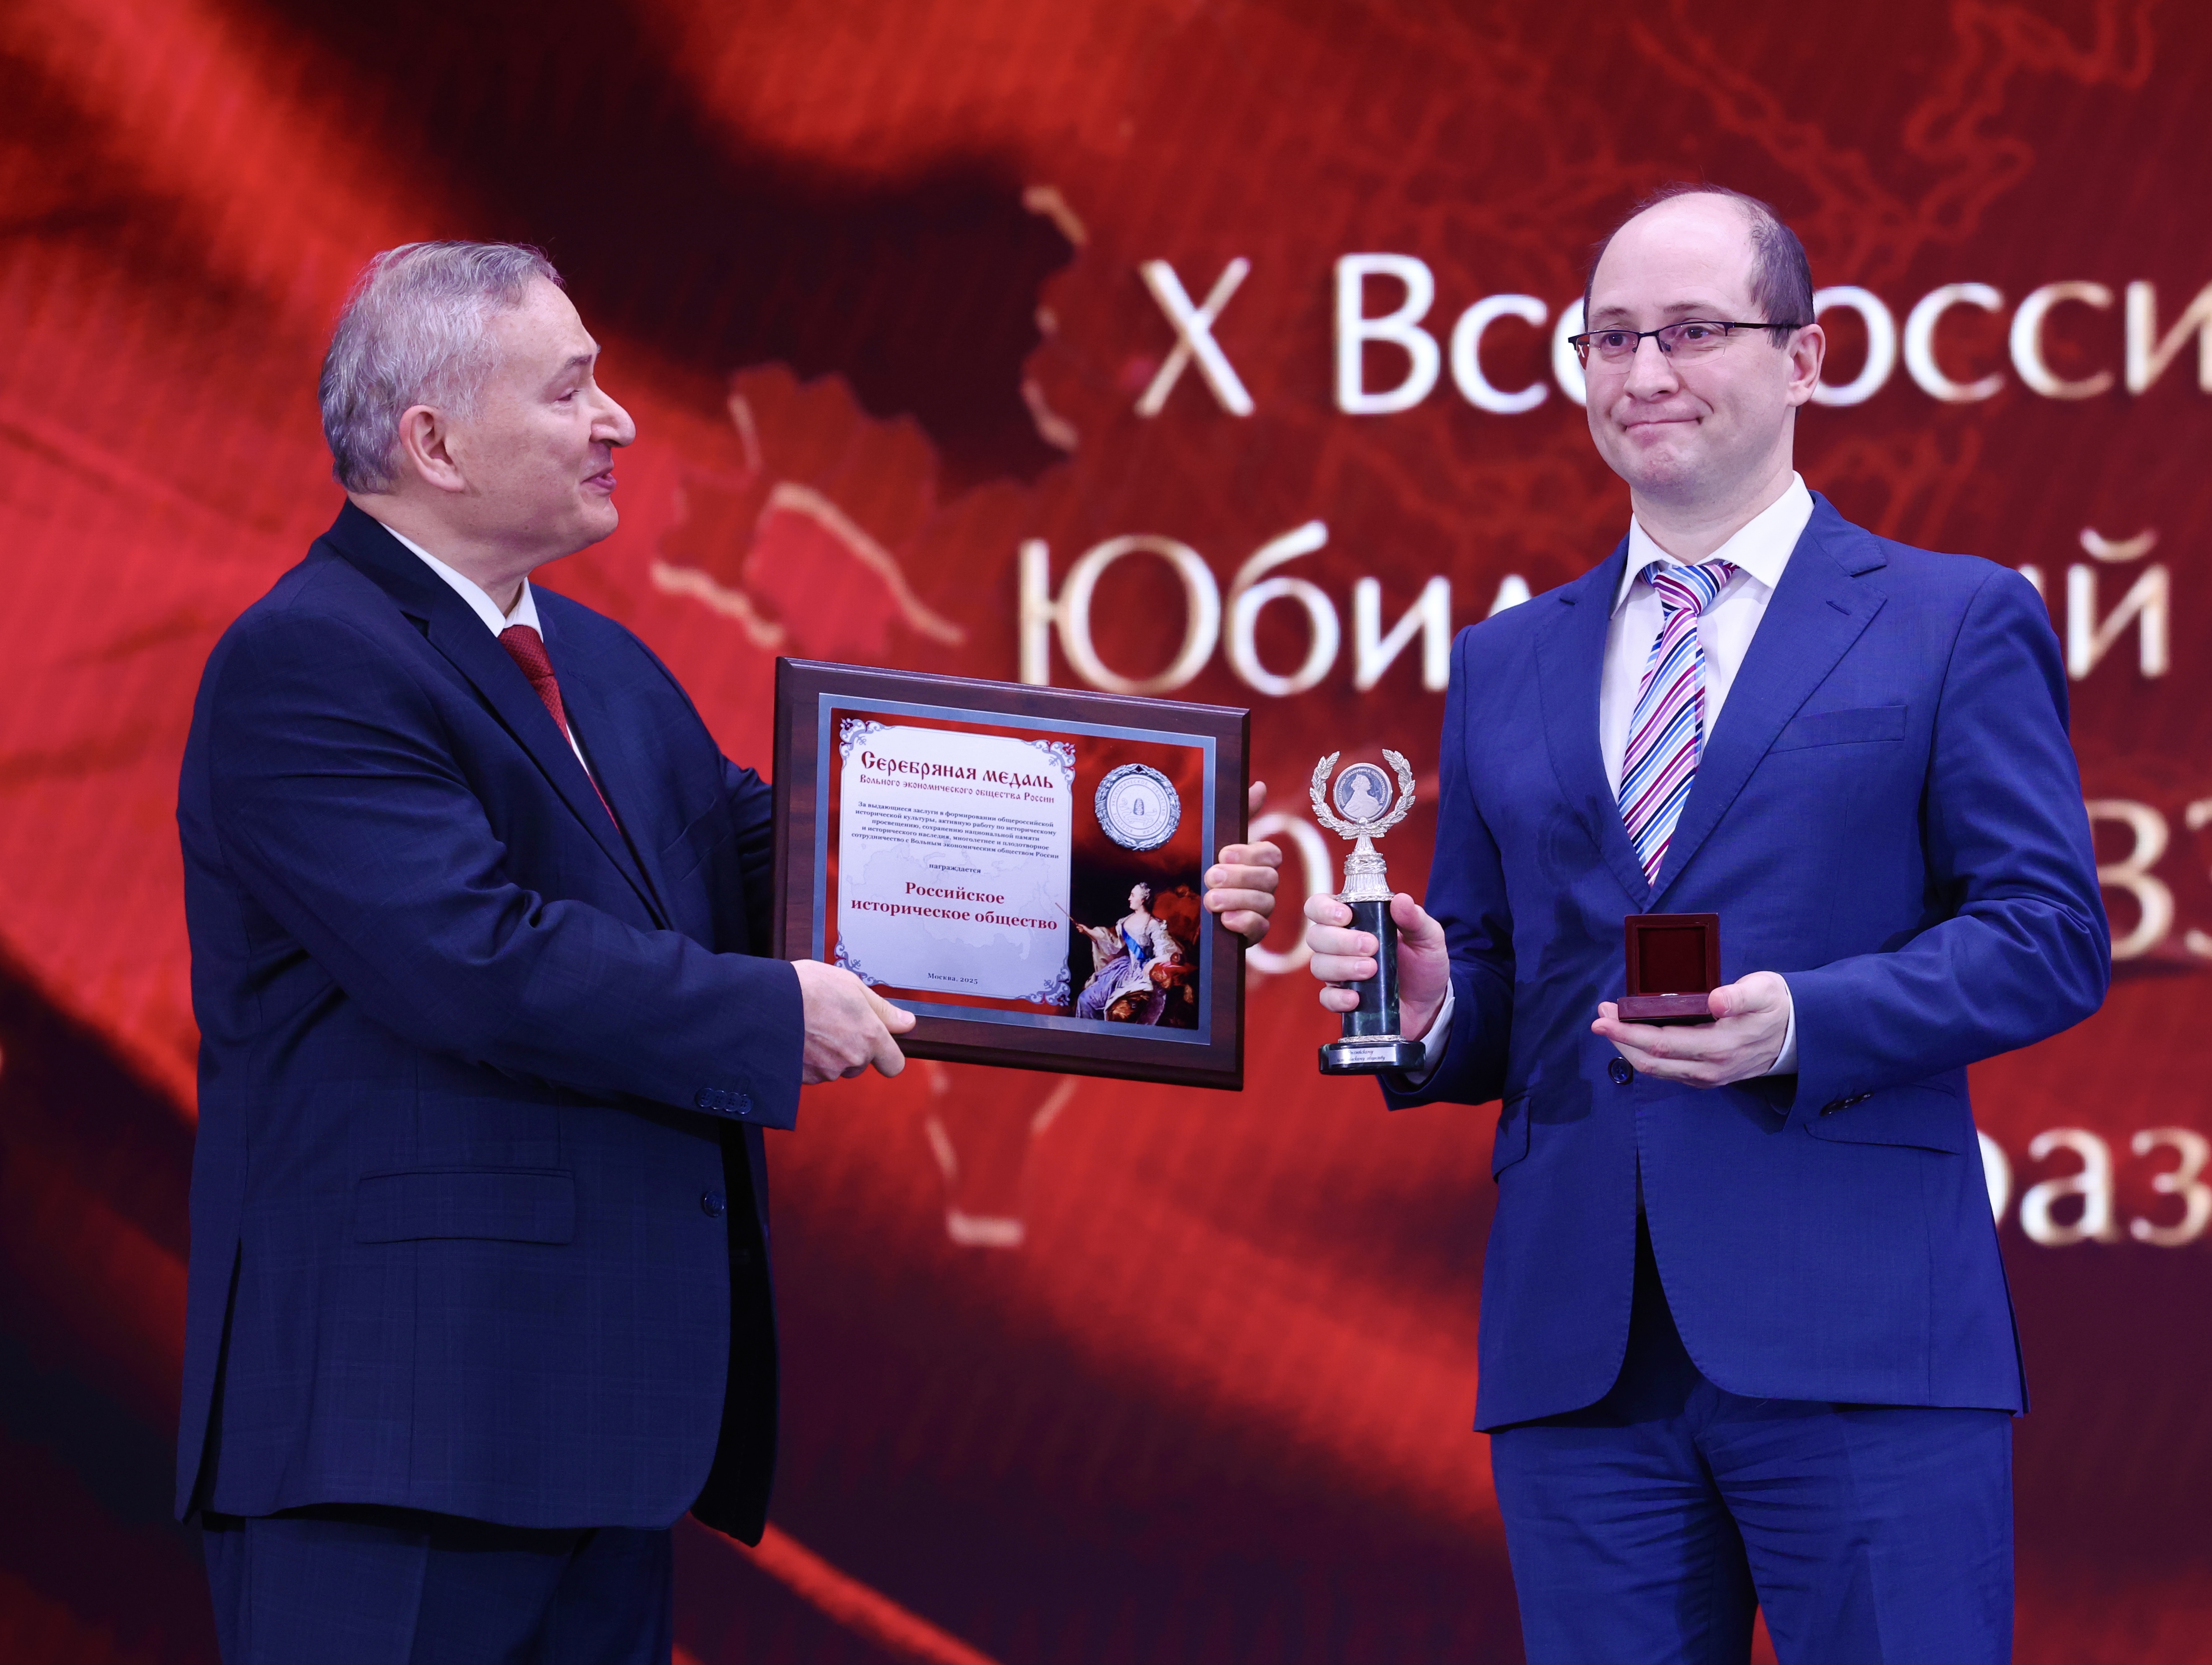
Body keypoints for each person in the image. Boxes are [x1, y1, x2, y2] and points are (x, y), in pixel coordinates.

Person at [176, 241, 1282, 1665]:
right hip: (396, 1442)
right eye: (570, 389)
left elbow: (789, 867)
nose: (619, 419)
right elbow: (474, 959)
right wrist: (771, 1016)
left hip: (593, 1439)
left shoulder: (599, 659)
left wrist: (1150, 882)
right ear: (434, 443)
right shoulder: (310, 658)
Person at [1303, 185, 2107, 1664]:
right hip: (1582, 1353)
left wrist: (1804, 1019)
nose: (1642, 372)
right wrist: (1428, 1000)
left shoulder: (1948, 617)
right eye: (1609, 338)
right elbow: (1495, 974)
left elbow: (2047, 930)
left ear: (1803, 358)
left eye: (1688, 331)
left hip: (1863, 1338)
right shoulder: (1505, 659)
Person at [1074, 882, 1182, 1022]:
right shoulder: (1125, 921)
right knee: (1085, 999)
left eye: (1132, 896)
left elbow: (1170, 952)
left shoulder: (1153, 924)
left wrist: (1153, 962)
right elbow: (1114, 944)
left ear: (1142, 900)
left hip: (1142, 974)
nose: (1129, 899)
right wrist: (1088, 932)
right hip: (1124, 970)